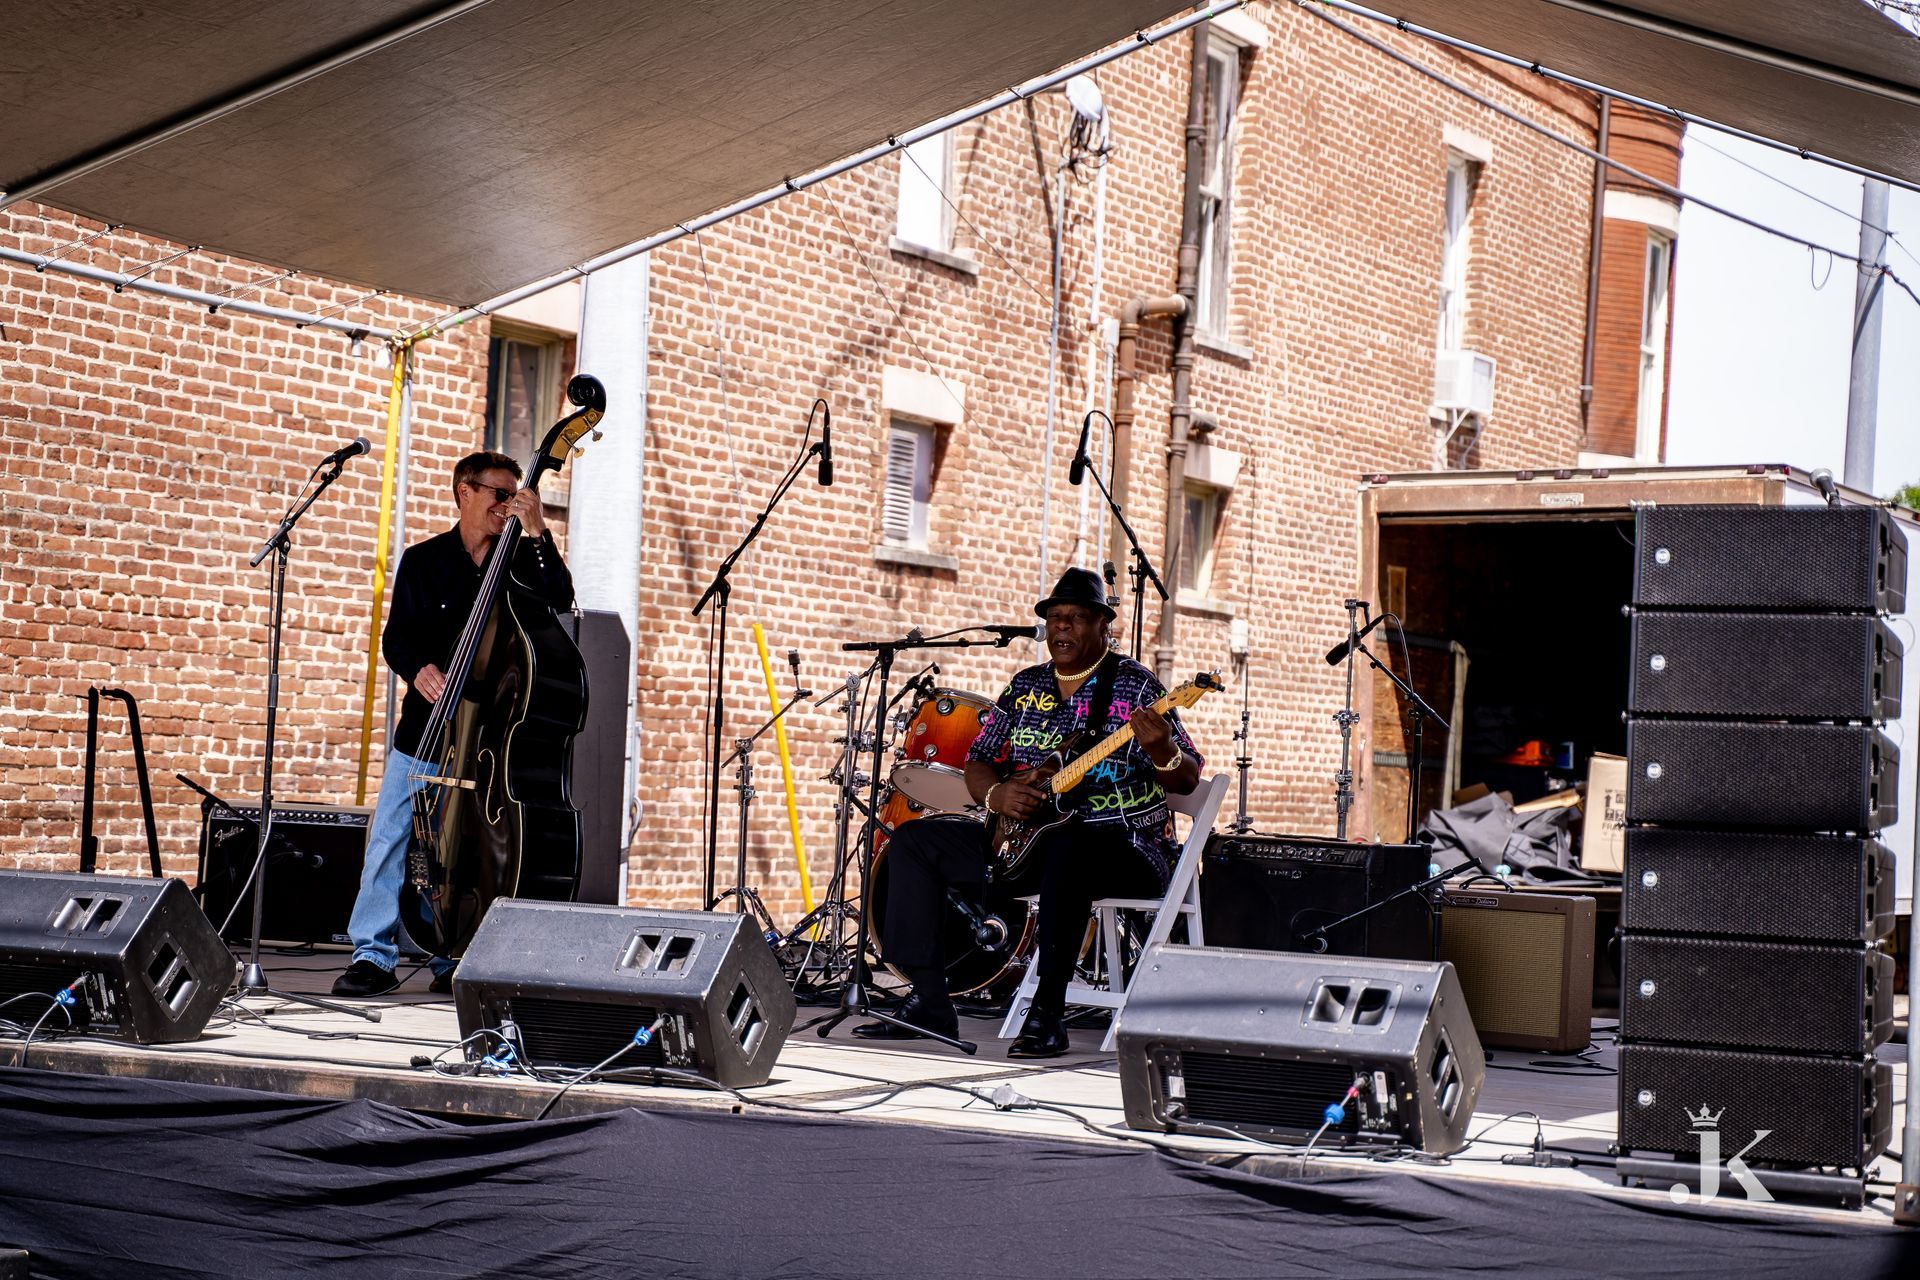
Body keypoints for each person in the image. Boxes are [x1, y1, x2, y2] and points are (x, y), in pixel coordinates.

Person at [856, 567, 1202, 1057]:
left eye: (1076, 618)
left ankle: (1048, 1012)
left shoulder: (1135, 687)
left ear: (1105, 626)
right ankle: (930, 999)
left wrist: (1162, 747)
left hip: (1125, 849)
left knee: (1071, 845)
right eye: (1055, 618)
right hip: (1028, 841)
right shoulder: (1026, 686)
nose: (1061, 628)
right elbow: (980, 759)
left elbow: (1185, 777)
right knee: (915, 842)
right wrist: (997, 798)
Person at [333, 450, 575, 998]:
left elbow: (560, 599)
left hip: (488, 737)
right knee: (393, 839)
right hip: (425, 729)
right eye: (499, 493)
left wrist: (537, 535)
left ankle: (452, 952)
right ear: (465, 492)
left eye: (515, 494)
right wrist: (418, 670)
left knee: (461, 849)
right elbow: (398, 638)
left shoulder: (516, 564)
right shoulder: (423, 562)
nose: (508, 503)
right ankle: (372, 955)